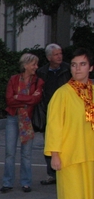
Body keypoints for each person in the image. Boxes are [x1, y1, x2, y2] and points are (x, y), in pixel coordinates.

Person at [44, 48, 94, 199]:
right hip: (69, 155)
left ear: (90, 67)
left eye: (82, 64)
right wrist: (55, 154)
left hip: (89, 154)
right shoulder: (63, 93)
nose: (77, 69)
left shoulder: (92, 91)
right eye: (74, 65)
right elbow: (54, 126)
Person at [0, 53, 44, 194]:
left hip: (27, 119)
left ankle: (26, 182)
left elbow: (36, 100)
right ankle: (7, 183)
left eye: (36, 64)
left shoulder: (38, 81)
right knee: (9, 152)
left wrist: (19, 97)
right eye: (33, 64)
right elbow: (9, 100)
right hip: (13, 117)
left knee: (26, 153)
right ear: (25, 65)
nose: (36, 67)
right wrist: (27, 98)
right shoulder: (13, 79)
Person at [37, 43, 72, 186]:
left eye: (60, 53)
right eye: (56, 54)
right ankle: (51, 174)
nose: (59, 56)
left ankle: (66, 171)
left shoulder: (68, 69)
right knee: (50, 143)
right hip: (49, 112)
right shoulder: (42, 72)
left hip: (67, 112)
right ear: (49, 57)